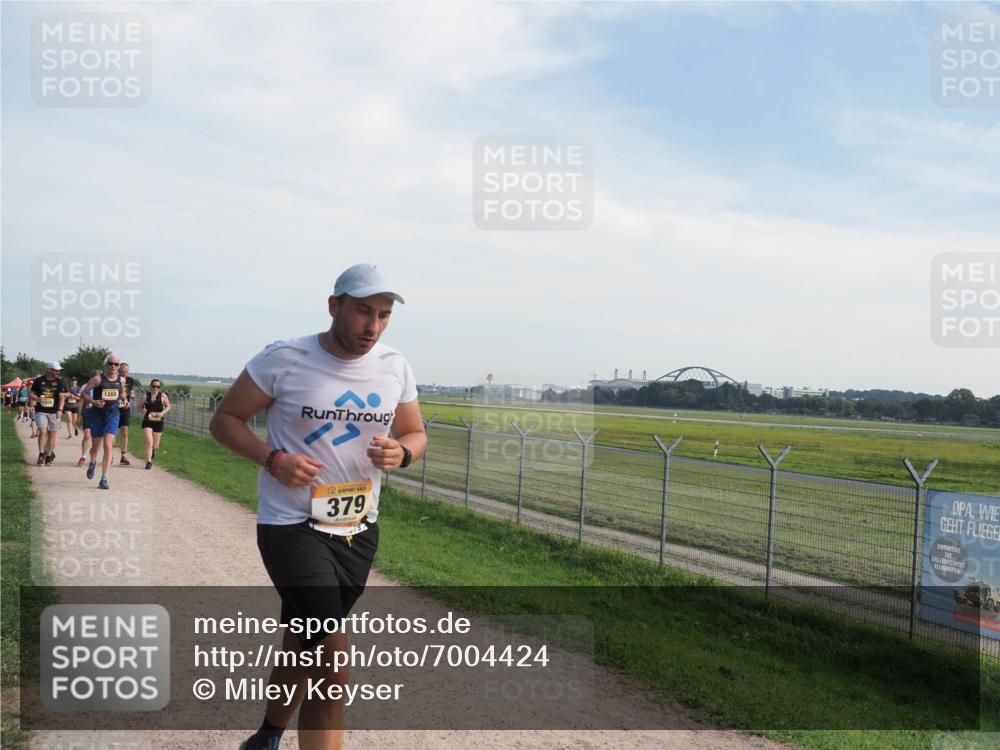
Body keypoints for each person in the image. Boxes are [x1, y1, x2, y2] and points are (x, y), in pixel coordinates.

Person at [210, 264, 425, 750]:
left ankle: (266, 737)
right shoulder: (284, 358)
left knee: (303, 641)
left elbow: (415, 432)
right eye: (363, 311)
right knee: (333, 662)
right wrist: (272, 458)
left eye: (384, 315)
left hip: (357, 529)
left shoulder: (395, 365)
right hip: (292, 527)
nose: (373, 326)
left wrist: (403, 452)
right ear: (335, 306)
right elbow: (226, 420)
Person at [81, 357, 125, 489]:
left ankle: (104, 478)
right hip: (97, 416)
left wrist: (125, 400)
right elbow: (84, 393)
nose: (113, 366)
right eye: (110, 364)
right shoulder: (98, 379)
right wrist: (94, 402)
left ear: (119, 366)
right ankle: (93, 462)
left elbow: (122, 393)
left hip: (113, 415)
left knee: (108, 445)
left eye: (116, 364)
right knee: (95, 447)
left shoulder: (121, 380)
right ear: (107, 365)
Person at [29, 363, 68, 466]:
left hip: (54, 412)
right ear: (49, 370)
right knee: (42, 432)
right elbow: (31, 393)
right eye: (56, 370)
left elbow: (64, 396)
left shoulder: (60, 382)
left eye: (59, 370)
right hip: (41, 410)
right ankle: (41, 455)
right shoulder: (39, 380)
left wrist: (60, 410)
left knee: (52, 434)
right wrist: (37, 398)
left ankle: (49, 455)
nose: (58, 372)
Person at [140, 379, 171, 469]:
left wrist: (163, 412)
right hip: (147, 421)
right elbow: (139, 407)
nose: (155, 388)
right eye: (154, 386)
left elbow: (168, 406)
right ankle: (148, 461)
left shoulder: (163, 396)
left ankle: (153, 450)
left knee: (155, 445)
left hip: (158, 422)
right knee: (149, 442)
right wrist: (144, 411)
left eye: (158, 386)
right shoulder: (145, 396)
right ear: (150, 386)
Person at [117, 362, 136, 465]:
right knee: (112, 433)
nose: (124, 374)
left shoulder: (130, 380)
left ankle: (123, 456)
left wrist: (132, 395)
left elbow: (131, 391)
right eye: (122, 372)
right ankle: (109, 454)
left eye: (126, 372)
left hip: (125, 408)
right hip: (114, 409)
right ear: (118, 371)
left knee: (125, 432)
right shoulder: (114, 379)